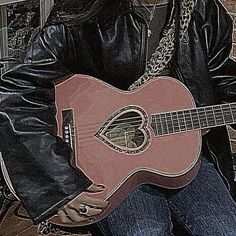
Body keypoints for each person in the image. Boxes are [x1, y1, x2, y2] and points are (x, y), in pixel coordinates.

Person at [0, 0, 236, 235]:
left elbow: (222, 78)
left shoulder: (204, 10)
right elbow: (16, 89)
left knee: (225, 230)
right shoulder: (84, 9)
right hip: (107, 166)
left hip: (185, 156)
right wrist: (58, 180)